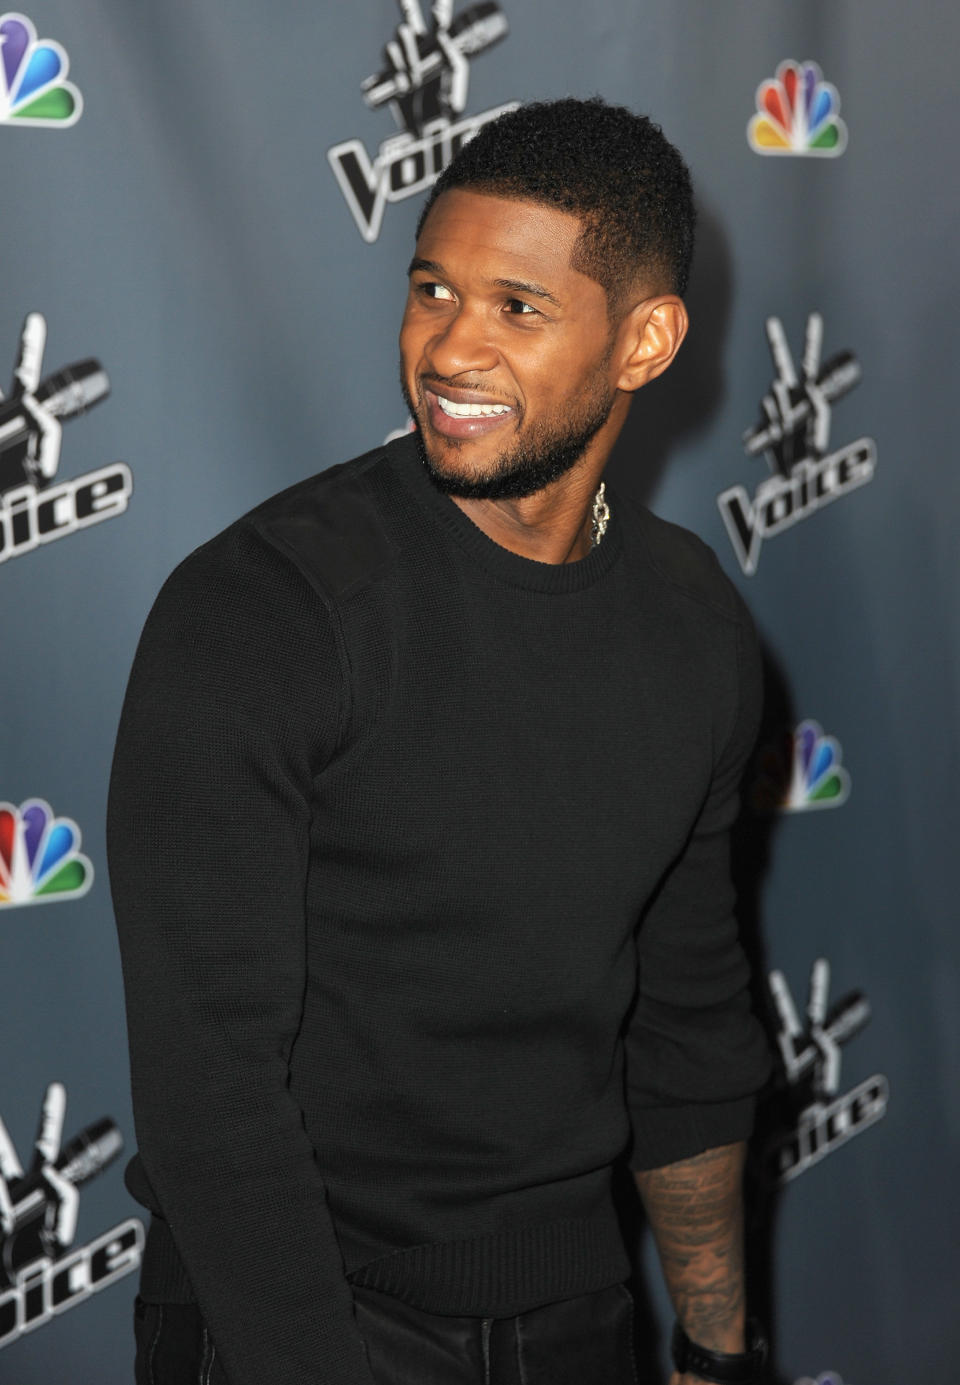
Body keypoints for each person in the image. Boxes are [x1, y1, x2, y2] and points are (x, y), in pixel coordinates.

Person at [108, 97, 772, 1385]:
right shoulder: (262, 611)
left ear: (645, 340)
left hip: (576, 1306)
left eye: (518, 307)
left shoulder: (694, 623)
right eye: (431, 291)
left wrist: (719, 1346)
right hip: (288, 1316)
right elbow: (216, 1114)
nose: (448, 349)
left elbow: (689, 1033)